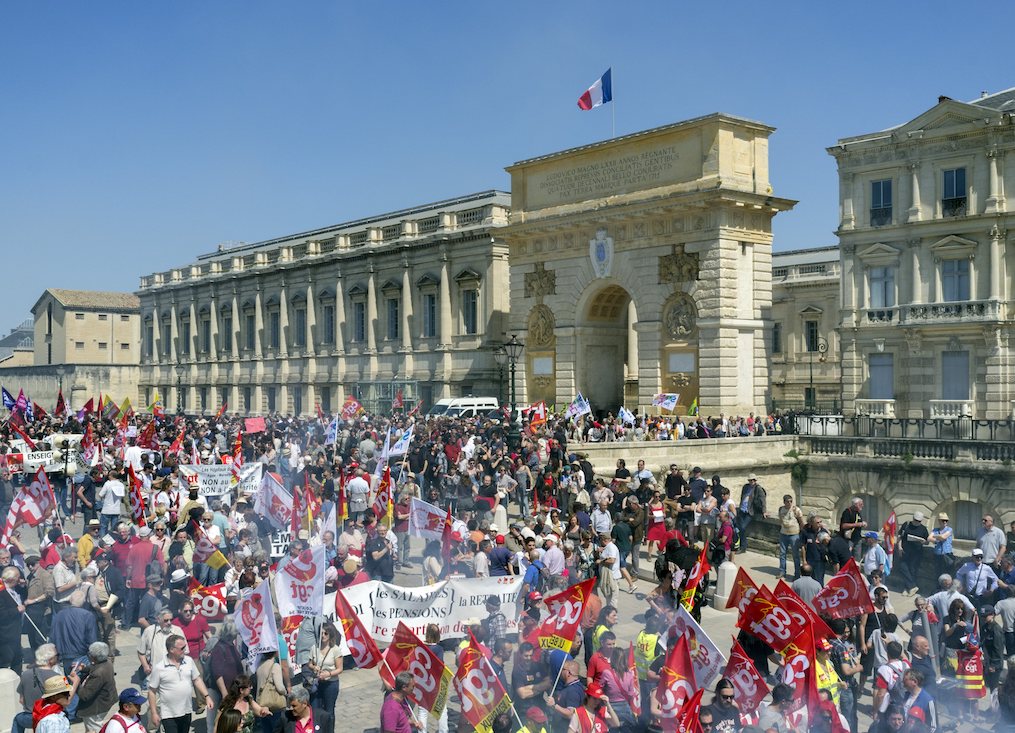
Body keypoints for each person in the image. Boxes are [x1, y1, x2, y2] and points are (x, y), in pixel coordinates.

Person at [147, 634, 215, 733]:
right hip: (169, 714)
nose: (185, 650)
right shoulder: (160, 668)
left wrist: (207, 696)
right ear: (171, 650)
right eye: (182, 648)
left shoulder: (189, 661)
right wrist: (154, 713)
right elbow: (151, 691)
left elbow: (197, 680)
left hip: (186, 711)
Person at [306, 622, 342, 733]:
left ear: (330, 634)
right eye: (321, 633)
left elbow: (340, 668)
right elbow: (309, 663)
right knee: (315, 709)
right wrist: (314, 667)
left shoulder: (335, 649)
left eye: (325, 633)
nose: (323, 636)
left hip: (331, 684)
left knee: (329, 710)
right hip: (317, 683)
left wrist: (329, 674)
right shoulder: (314, 648)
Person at [51, 590, 97, 674]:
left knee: (67, 682)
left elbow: (53, 637)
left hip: (64, 656)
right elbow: (92, 639)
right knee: (81, 683)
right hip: (82, 656)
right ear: (83, 602)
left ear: (70, 600)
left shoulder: (59, 615)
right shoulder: (88, 615)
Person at [75, 642, 117, 733]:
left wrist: (75, 682)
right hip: (107, 700)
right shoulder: (107, 662)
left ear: (93, 657)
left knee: (94, 729)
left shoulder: (98, 674)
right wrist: (83, 669)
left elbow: (84, 695)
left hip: (96, 708)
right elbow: (95, 666)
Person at [896, 512, 929, 595]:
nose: (917, 522)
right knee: (902, 567)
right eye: (916, 520)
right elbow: (900, 536)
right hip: (905, 550)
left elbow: (927, 542)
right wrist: (899, 547)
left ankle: (908, 588)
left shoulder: (923, 529)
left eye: (919, 521)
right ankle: (912, 587)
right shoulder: (906, 525)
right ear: (913, 519)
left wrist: (923, 541)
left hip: (916, 552)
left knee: (912, 569)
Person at [736, 473, 766, 553]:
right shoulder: (745, 487)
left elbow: (763, 500)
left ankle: (743, 547)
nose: (751, 481)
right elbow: (742, 497)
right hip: (742, 509)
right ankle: (740, 545)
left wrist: (764, 511)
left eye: (753, 480)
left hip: (750, 511)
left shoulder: (758, 488)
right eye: (750, 480)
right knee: (740, 528)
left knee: (742, 528)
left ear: (755, 480)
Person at [776, 494, 803, 579]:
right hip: (783, 533)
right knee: (782, 554)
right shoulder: (781, 509)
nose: (789, 503)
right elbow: (780, 520)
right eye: (787, 501)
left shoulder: (796, 510)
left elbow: (801, 522)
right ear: (784, 502)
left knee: (795, 555)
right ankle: (782, 571)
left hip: (794, 534)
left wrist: (801, 534)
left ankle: (797, 574)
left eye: (791, 501)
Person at [928, 512, 954, 578]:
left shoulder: (949, 529)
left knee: (947, 574)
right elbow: (929, 538)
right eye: (943, 520)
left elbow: (943, 537)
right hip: (937, 555)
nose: (945, 522)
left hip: (947, 554)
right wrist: (937, 539)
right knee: (937, 573)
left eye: (946, 520)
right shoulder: (935, 530)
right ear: (939, 521)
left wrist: (935, 537)